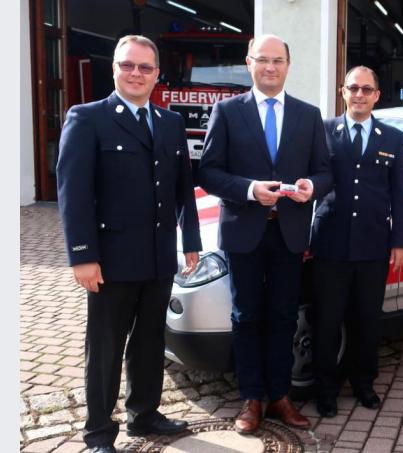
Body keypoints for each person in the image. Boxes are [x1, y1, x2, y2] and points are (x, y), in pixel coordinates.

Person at [56, 35, 201, 453]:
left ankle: (144, 414)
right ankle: (99, 431)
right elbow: (74, 193)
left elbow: (182, 188)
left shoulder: (169, 122)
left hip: (158, 257)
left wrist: (189, 237)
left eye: (145, 67)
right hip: (113, 260)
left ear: (157, 74)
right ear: (114, 68)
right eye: (128, 65)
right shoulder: (87, 118)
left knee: (149, 340)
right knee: (105, 348)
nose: (136, 73)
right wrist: (82, 256)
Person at [197, 34, 332, 433]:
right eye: (262, 60)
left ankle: (280, 396)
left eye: (278, 60)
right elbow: (208, 171)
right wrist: (249, 190)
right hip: (244, 232)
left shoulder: (308, 115)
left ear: (289, 65)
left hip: (289, 234)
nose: (270, 67)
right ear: (249, 62)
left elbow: (325, 171)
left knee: (283, 316)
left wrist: (312, 187)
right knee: (246, 316)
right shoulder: (226, 112)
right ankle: (251, 398)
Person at [311, 66, 403, 418]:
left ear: (377, 95)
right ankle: (326, 389)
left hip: (373, 245)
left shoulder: (393, 137)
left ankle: (364, 383)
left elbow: (400, 193)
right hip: (330, 245)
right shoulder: (322, 131)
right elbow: (311, 183)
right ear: (342, 91)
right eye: (353, 88)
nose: (359, 95)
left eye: (367, 89)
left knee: (367, 319)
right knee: (327, 320)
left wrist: (400, 241)